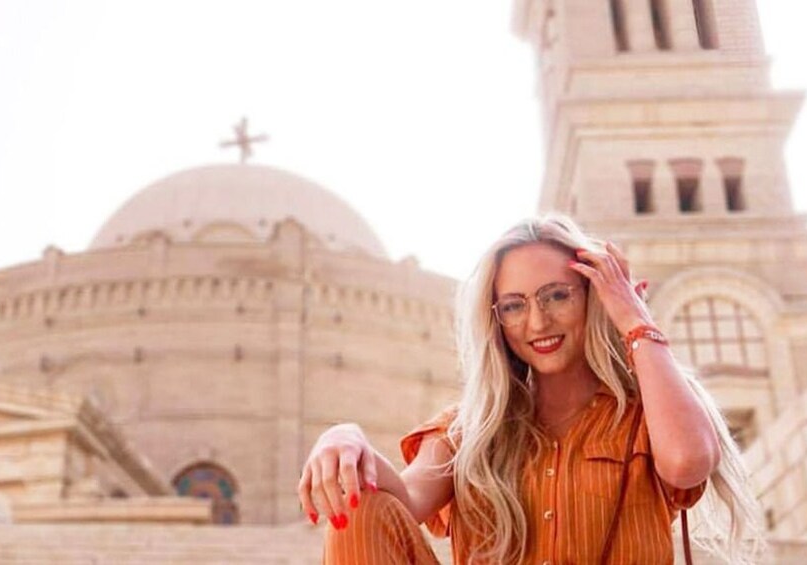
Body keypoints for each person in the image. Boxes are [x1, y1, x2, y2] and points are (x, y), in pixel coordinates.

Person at [298, 215, 761, 564]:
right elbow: (404, 503)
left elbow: (686, 463)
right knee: (357, 510)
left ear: (592, 296)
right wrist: (343, 438)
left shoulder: (648, 412)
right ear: (496, 320)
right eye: (515, 306)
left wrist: (635, 320)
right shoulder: (469, 429)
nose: (537, 322)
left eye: (557, 295)